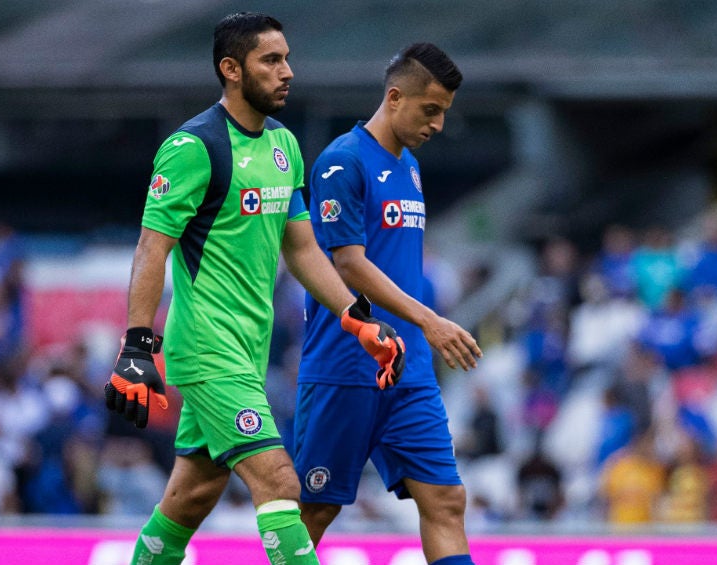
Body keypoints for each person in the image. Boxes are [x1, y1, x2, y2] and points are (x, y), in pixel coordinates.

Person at [103, 13, 404, 565]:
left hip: (248, 348)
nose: (287, 71)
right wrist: (137, 346)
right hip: (206, 347)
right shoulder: (194, 147)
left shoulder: (285, 145)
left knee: (190, 497)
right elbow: (152, 248)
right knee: (279, 483)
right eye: (272, 60)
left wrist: (358, 316)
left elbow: (304, 249)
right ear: (231, 69)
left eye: (287, 58)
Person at [295, 43, 483, 565]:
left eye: (444, 112)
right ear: (395, 97)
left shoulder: (411, 167)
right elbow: (348, 264)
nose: (439, 124)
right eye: (431, 110)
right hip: (346, 365)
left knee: (445, 500)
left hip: (410, 371)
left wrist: (421, 332)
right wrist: (430, 320)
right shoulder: (341, 162)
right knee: (315, 511)